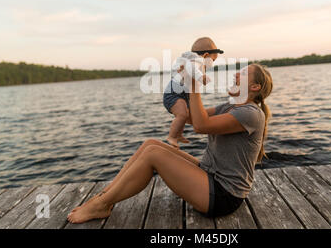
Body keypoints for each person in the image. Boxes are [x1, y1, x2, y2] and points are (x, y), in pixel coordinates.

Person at [67, 63, 273, 223]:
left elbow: (201, 126)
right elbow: (193, 117)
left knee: (153, 156)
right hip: (210, 174)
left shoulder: (250, 113)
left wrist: (195, 85)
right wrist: (179, 89)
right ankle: (105, 196)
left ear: (254, 87)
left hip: (224, 195)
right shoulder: (228, 107)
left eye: (243, 73)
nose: (237, 74)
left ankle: (101, 204)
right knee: (150, 144)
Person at [163, 37, 223, 148]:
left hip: (183, 94)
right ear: (205, 55)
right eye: (213, 60)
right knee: (182, 114)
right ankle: (172, 136)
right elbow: (192, 70)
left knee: (188, 115)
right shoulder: (196, 61)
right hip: (174, 94)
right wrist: (201, 77)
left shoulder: (192, 61)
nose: (212, 64)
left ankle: (178, 134)